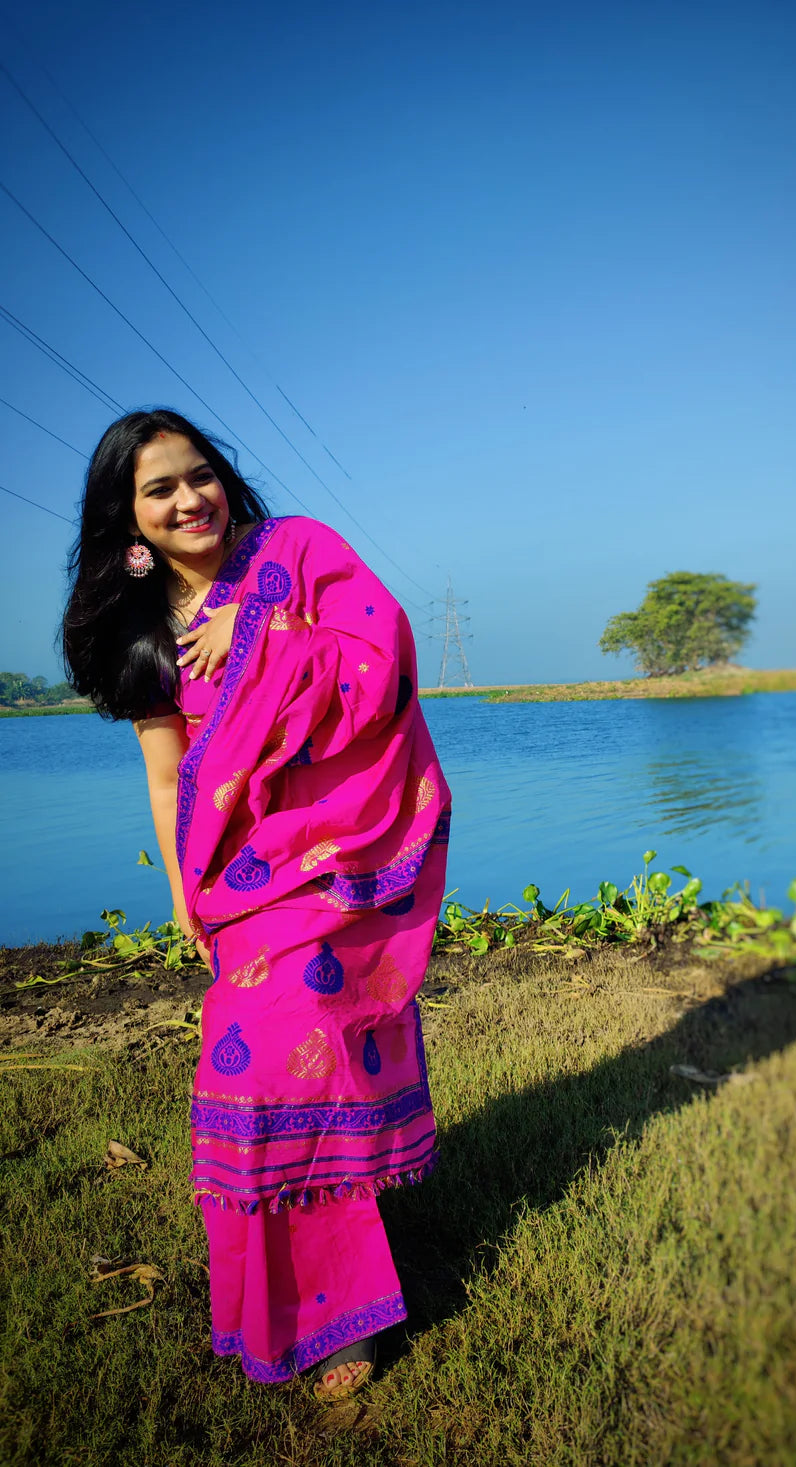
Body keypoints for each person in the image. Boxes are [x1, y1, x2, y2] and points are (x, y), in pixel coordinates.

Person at [62, 408, 450, 1400]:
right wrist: (182, 893)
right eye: (160, 488)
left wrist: (269, 631)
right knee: (259, 1079)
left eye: (200, 475)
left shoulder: (297, 555)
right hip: (241, 884)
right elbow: (168, 778)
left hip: (338, 861)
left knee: (305, 1069)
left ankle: (343, 1322)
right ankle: (294, 1299)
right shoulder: (142, 632)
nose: (190, 498)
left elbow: (385, 657)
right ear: (128, 518)